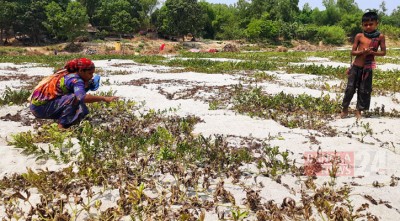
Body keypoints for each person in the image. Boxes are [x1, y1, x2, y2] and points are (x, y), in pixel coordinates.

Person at [29, 58, 119, 129]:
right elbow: (81, 97)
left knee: (83, 110)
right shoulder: (76, 80)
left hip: (36, 106)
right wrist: (104, 98)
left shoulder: (66, 72)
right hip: (41, 109)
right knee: (74, 98)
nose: (91, 76)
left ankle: (68, 121)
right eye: (89, 73)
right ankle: (62, 126)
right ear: (81, 71)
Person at [340, 11, 386, 119]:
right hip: (356, 67)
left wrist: (373, 53)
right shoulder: (359, 36)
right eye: (365, 25)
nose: (368, 27)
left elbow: (383, 53)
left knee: (364, 89)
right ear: (362, 25)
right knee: (350, 88)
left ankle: (358, 111)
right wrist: (362, 52)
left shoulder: (380, 37)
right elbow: (353, 52)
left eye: (371, 24)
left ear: (376, 23)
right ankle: (345, 109)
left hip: (368, 68)